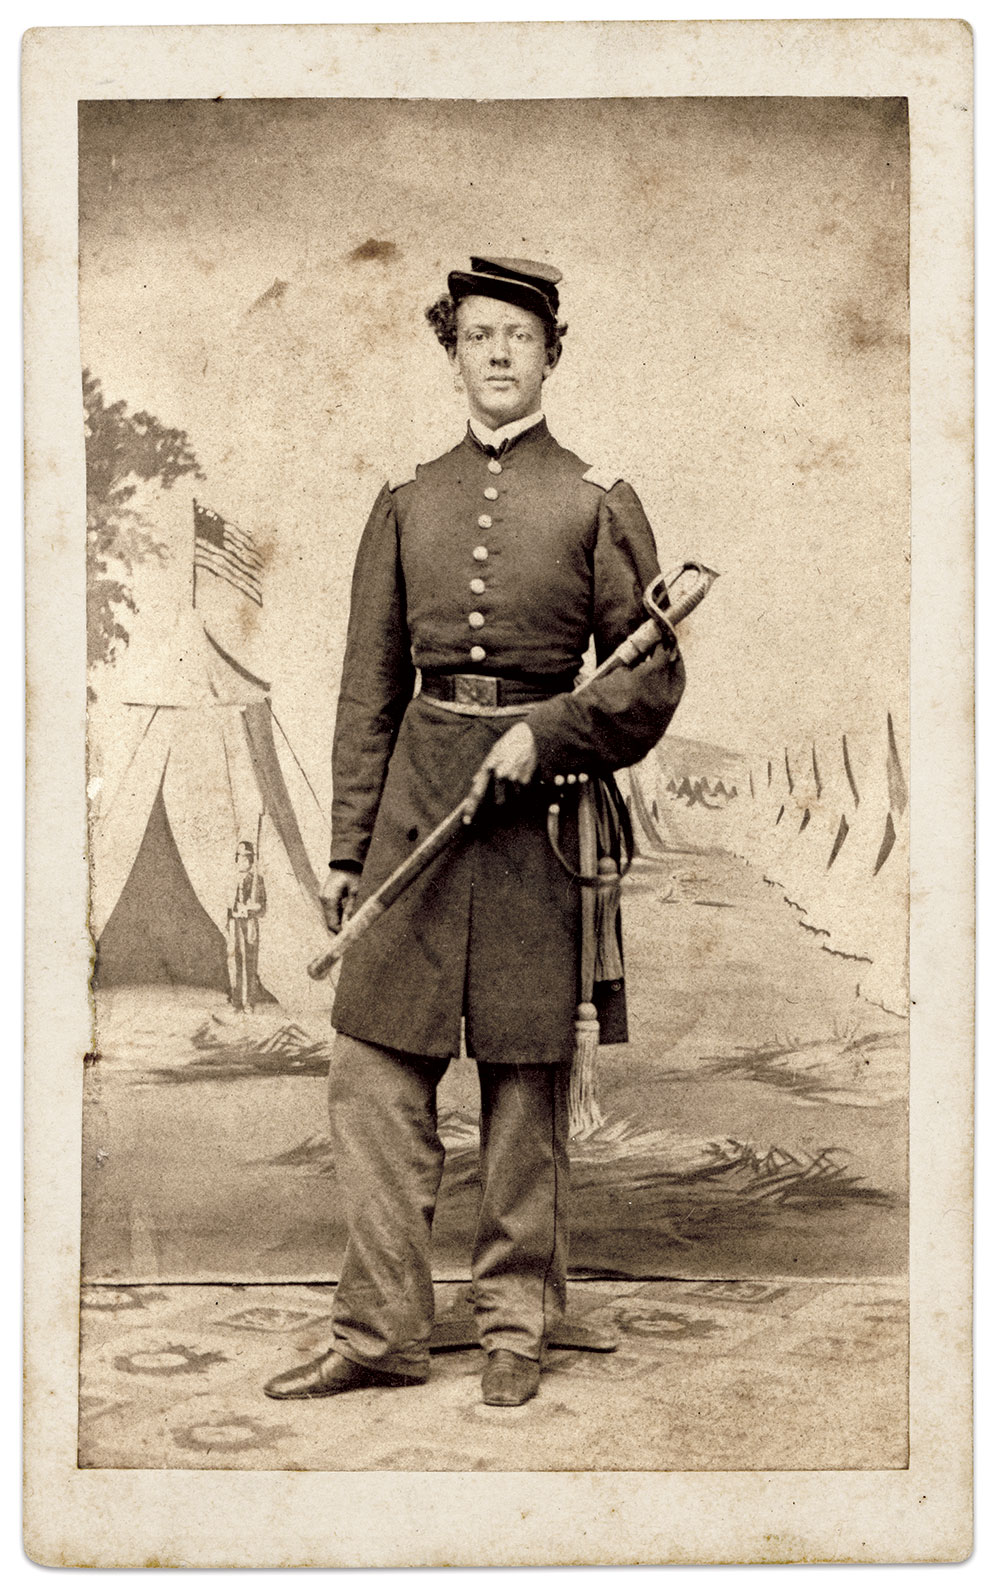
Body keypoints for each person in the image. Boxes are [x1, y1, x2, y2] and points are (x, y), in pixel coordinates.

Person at [265, 255, 686, 1407]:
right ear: (452, 351)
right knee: (373, 1067)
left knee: (521, 1077)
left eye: (520, 335)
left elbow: (649, 683)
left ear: (553, 351)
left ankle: (513, 1320)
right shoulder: (405, 498)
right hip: (415, 813)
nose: (498, 354)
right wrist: (347, 854)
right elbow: (366, 690)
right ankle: (382, 1327)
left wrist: (547, 734)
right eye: (478, 336)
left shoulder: (599, 500)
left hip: (536, 829)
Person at [226, 840, 266, 1013]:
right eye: (239, 857)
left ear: (251, 861)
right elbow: (230, 904)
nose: (241, 861)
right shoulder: (233, 879)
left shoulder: (257, 880)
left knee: (250, 962)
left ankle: (249, 1002)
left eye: (245, 858)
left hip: (249, 924)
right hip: (235, 923)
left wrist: (249, 907)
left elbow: (262, 907)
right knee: (235, 961)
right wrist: (228, 921)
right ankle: (237, 1001)